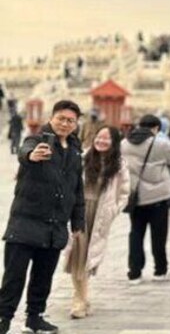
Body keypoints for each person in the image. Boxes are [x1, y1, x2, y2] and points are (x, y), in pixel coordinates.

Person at [0, 100, 85, 334]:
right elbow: (25, 152)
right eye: (61, 119)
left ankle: (35, 317)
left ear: (76, 124)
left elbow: (77, 188)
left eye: (70, 121)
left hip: (55, 225)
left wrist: (78, 221)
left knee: (43, 276)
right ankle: (3, 318)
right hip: (26, 222)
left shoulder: (76, 151)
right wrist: (32, 156)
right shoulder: (36, 140)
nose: (65, 124)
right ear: (52, 117)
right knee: (14, 276)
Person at [64, 126, 130, 318]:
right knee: (78, 256)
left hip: (100, 215)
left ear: (114, 142)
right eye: (99, 137)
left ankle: (81, 299)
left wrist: (113, 210)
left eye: (106, 138)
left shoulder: (118, 165)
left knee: (87, 258)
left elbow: (124, 192)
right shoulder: (83, 158)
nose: (101, 141)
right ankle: (79, 300)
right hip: (79, 211)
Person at [122, 114, 170, 284]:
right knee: (158, 236)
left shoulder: (125, 143)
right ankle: (160, 270)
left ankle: (134, 272)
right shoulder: (160, 143)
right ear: (156, 128)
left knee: (135, 233)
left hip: (135, 196)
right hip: (158, 196)